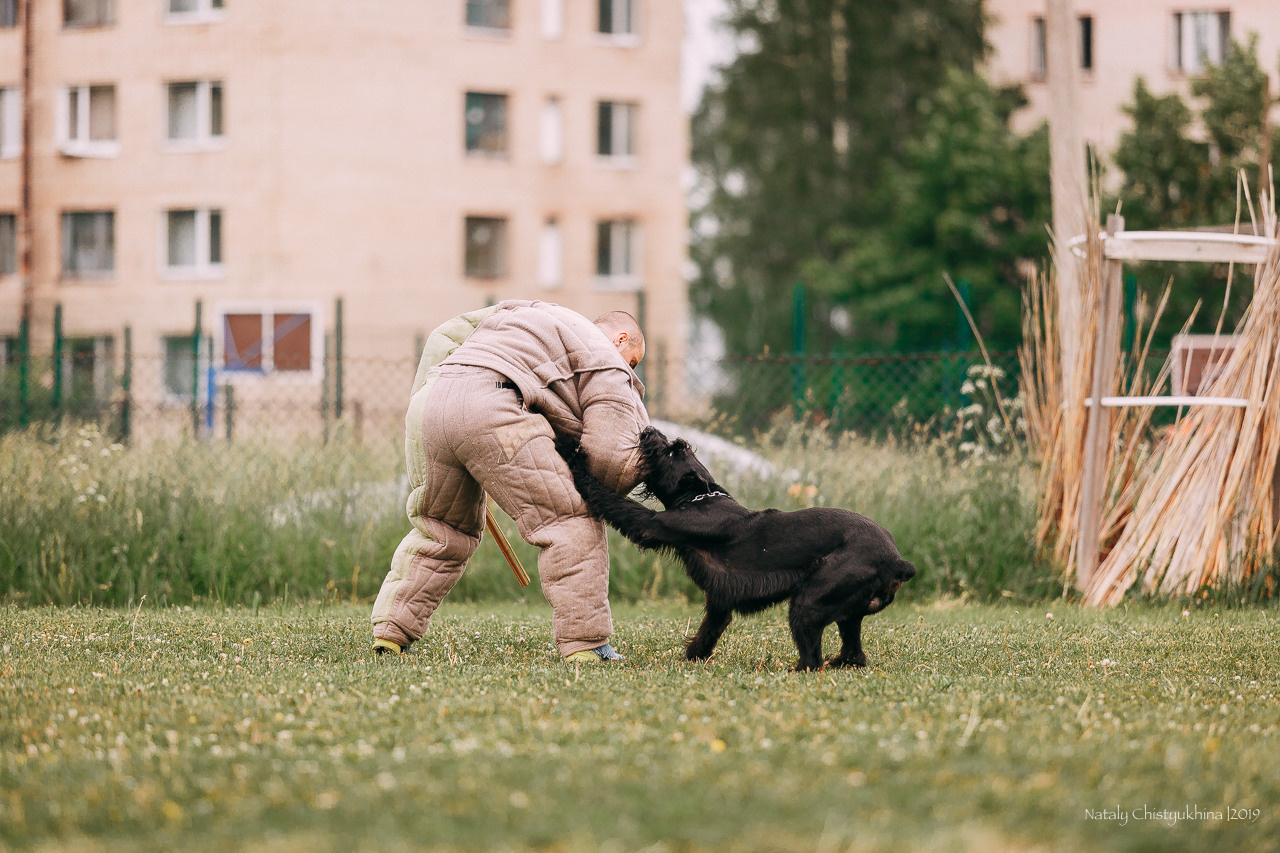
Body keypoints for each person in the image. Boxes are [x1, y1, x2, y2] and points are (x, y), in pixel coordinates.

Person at [370, 300, 648, 664]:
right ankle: (586, 643)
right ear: (620, 339)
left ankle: (390, 631)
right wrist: (600, 490)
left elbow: (442, 338)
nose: (629, 369)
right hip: (492, 402)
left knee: (440, 529)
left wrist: (432, 415)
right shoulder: (601, 350)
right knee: (570, 520)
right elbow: (614, 448)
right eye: (633, 361)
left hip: (430, 404)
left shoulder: (523, 312)